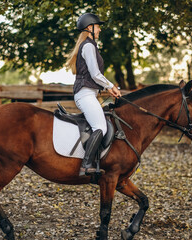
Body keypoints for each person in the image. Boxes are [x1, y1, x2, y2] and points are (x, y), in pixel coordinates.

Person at [66, 13, 121, 177]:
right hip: (85, 94)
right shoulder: (89, 46)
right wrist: (111, 86)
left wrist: (106, 88)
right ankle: (86, 164)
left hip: (88, 93)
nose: (100, 29)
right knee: (100, 127)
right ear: (90, 28)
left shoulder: (88, 45)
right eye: (98, 26)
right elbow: (95, 74)